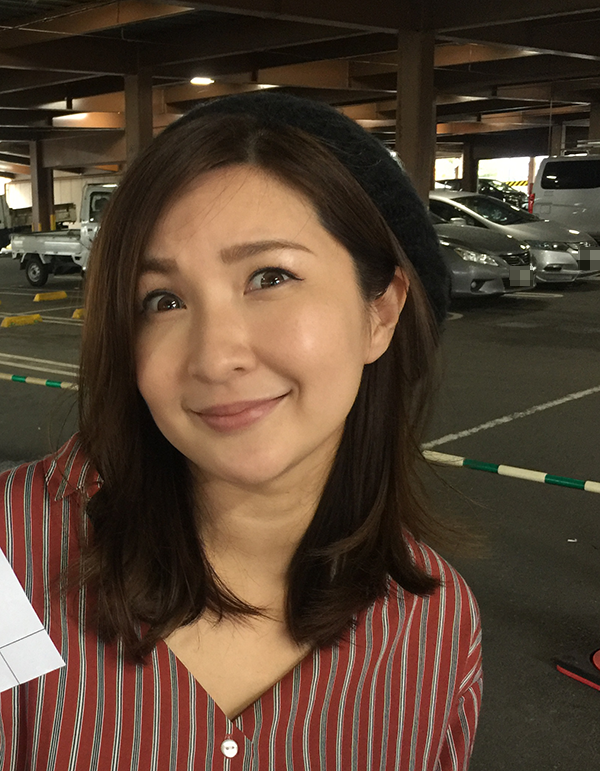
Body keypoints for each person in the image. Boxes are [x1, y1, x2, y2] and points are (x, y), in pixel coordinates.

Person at [0, 92, 481, 770]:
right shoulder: (11, 559)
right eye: (163, 300)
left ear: (380, 313)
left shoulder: (435, 626)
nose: (214, 356)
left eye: (269, 276)